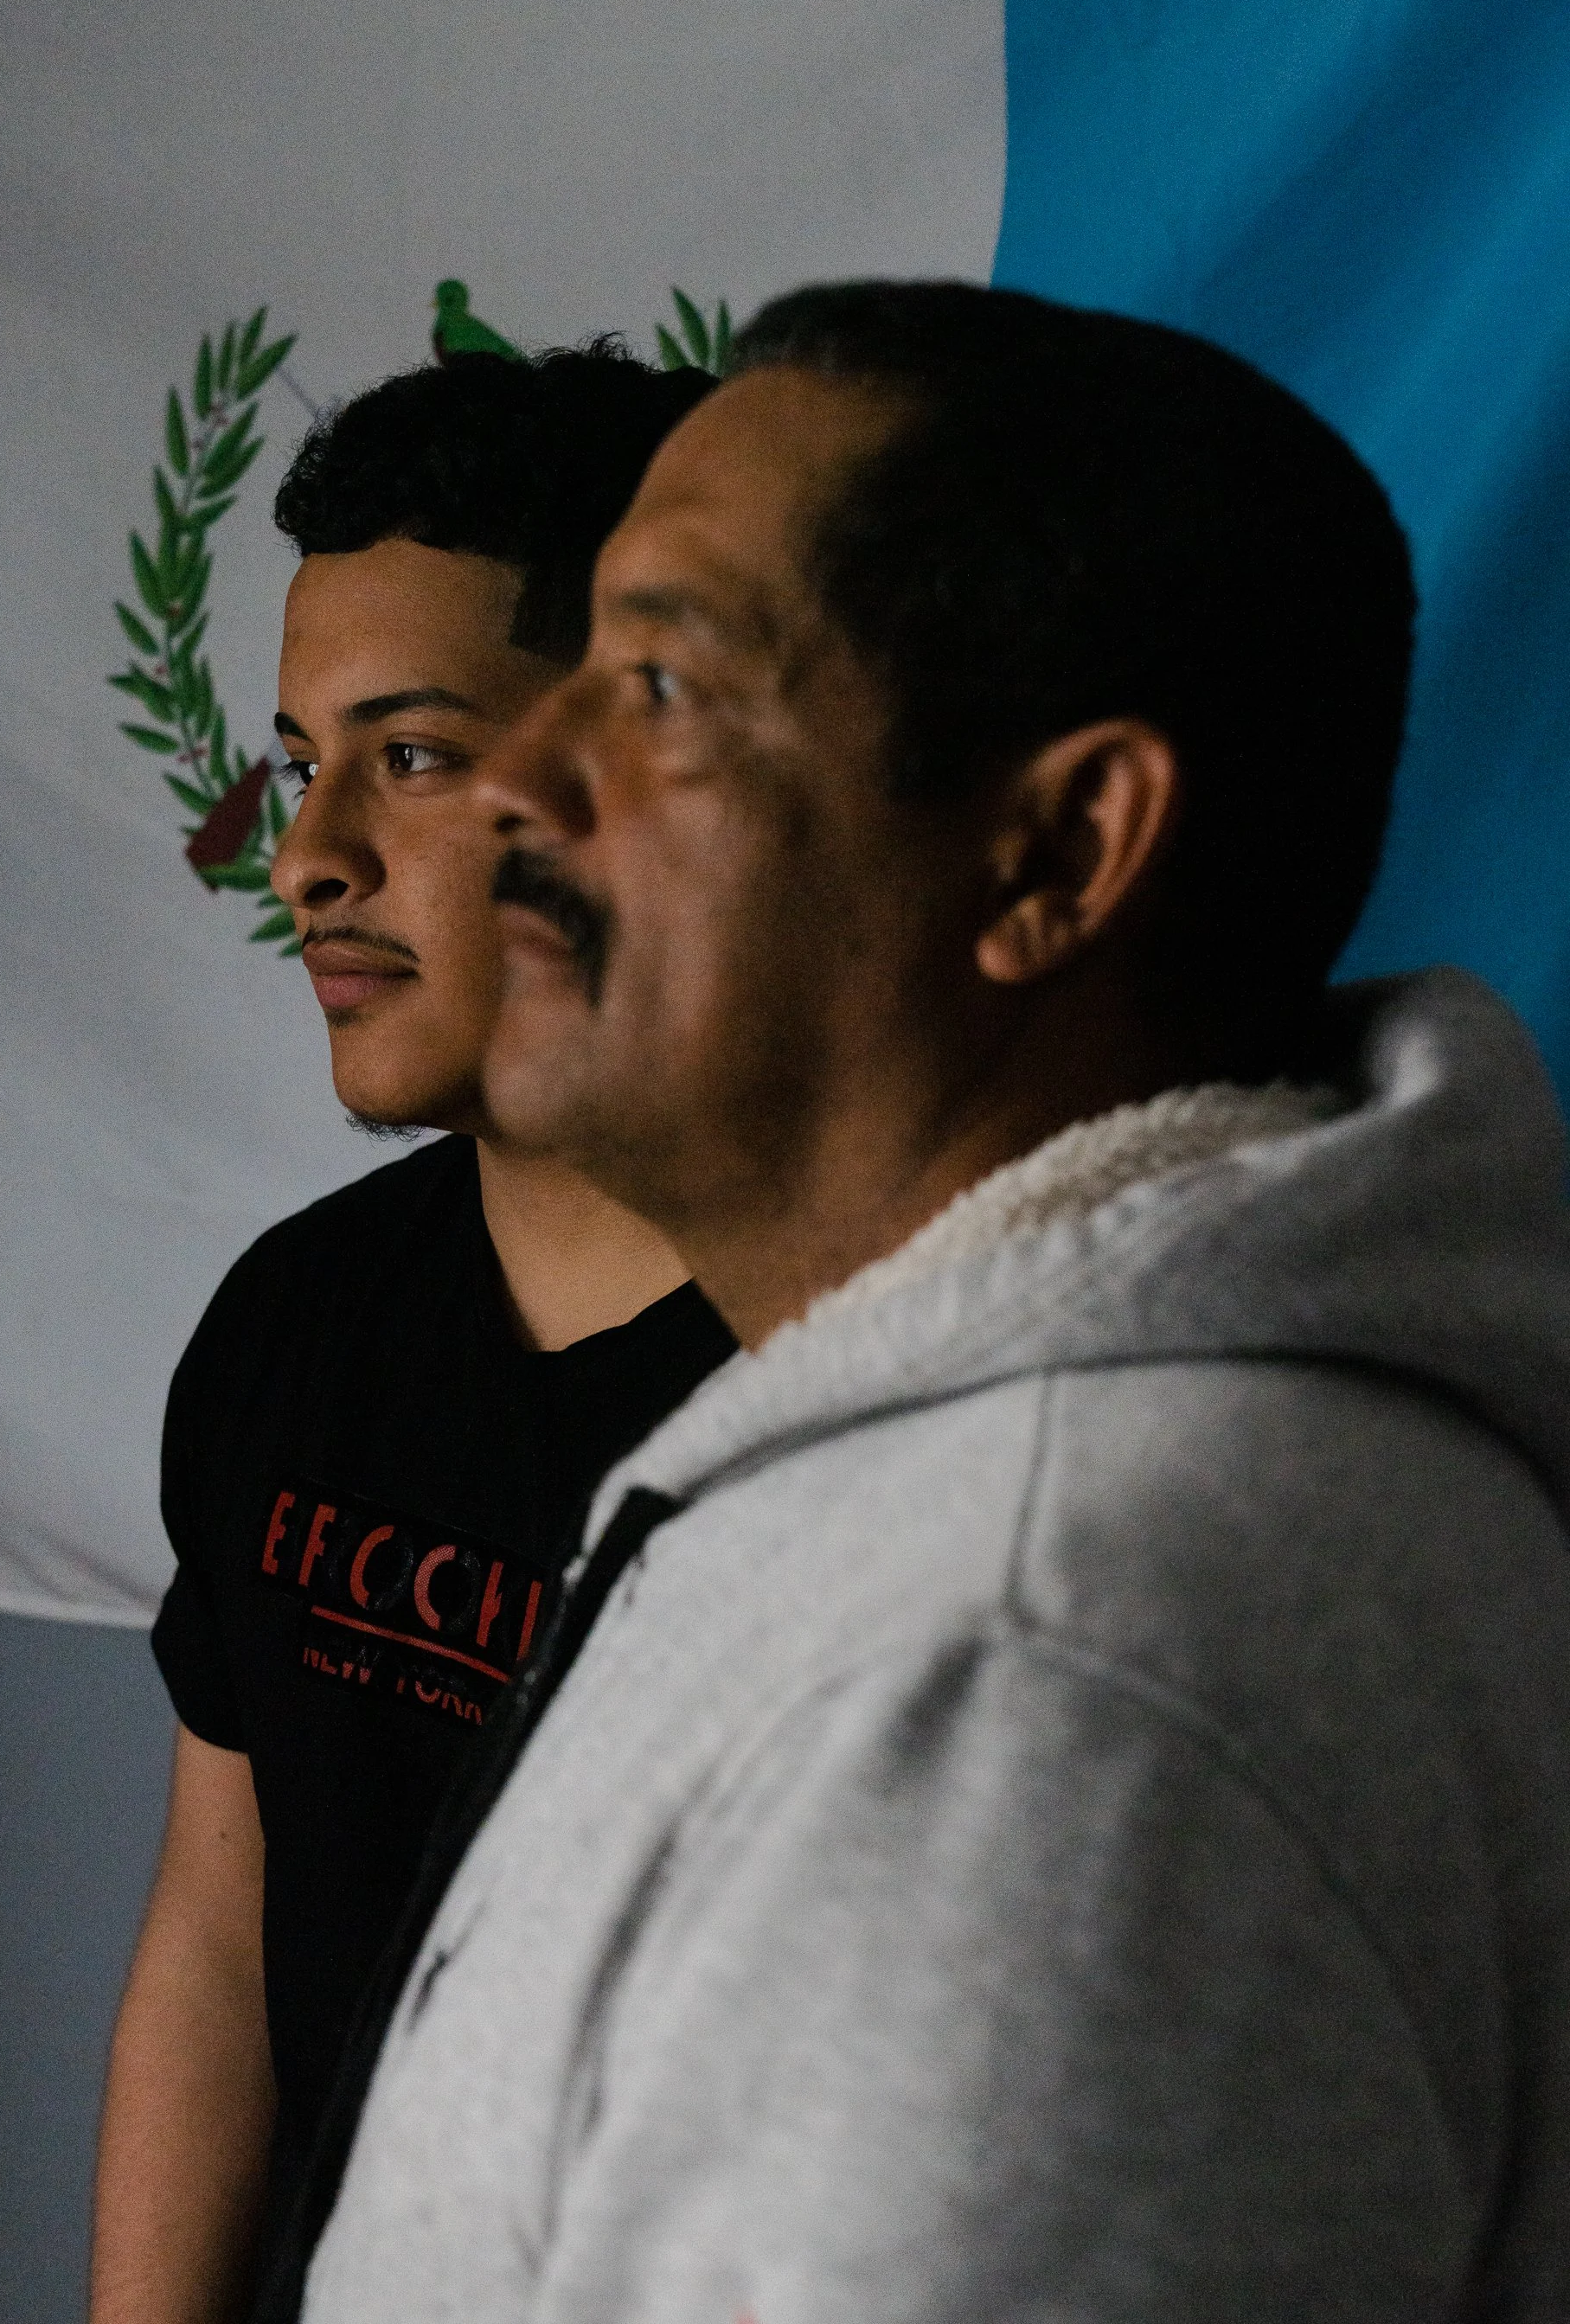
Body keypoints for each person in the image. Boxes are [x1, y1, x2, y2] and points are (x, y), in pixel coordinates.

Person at [301, 282, 1570, 2322]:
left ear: (1057, 851)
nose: (518, 779)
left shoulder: (1033, 1667)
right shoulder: (1024, 1534)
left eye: (659, 683)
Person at [87, 344, 735, 2324]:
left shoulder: (859, 1375)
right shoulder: (302, 1317)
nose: (305, 859)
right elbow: (221, 1931)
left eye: (416, 752)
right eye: (300, 759)